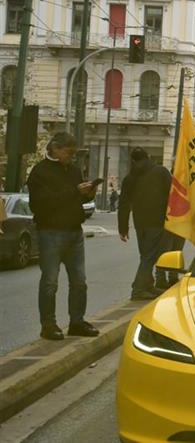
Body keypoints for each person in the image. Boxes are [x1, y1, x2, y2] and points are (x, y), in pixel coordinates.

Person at [27, 132, 100, 341]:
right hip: (50, 231)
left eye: (74, 153)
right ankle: (48, 325)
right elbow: (40, 204)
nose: (72, 157)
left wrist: (88, 193)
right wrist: (75, 191)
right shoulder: (40, 172)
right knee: (50, 281)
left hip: (74, 231)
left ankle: (76, 321)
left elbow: (75, 198)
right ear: (55, 149)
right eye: (69, 153)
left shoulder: (74, 170)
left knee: (79, 281)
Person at [117, 148, 172, 300]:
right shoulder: (161, 172)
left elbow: (123, 204)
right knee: (150, 256)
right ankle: (138, 289)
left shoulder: (129, 178)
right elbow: (172, 194)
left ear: (133, 160)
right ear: (148, 156)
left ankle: (148, 285)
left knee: (145, 255)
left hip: (140, 223)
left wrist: (123, 228)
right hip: (158, 221)